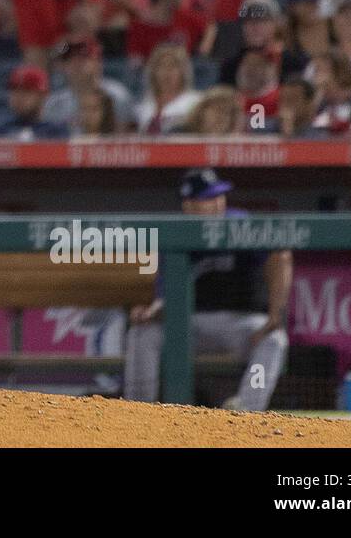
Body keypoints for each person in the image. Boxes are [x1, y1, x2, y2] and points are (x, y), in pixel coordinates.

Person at [123, 169, 292, 411]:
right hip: (189, 325)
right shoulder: (176, 233)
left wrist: (276, 315)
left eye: (220, 196)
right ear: (189, 205)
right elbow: (165, 292)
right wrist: (152, 311)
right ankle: (137, 412)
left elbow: (281, 254)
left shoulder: (239, 224)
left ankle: (247, 410)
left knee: (274, 339)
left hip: (240, 323)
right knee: (143, 333)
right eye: (208, 198)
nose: (217, 204)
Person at [41, 36, 133, 132]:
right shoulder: (55, 104)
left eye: (82, 58)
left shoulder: (117, 96)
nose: (75, 63)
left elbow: (126, 137)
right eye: (68, 59)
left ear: (98, 62)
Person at [134, 43, 201, 134]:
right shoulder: (144, 103)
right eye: (161, 66)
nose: (167, 71)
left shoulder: (195, 102)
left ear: (184, 72)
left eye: (173, 66)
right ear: (153, 72)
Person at [0, 64, 69, 138]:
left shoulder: (57, 133)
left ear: (43, 95)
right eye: (14, 90)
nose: (19, 97)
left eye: (26, 91)